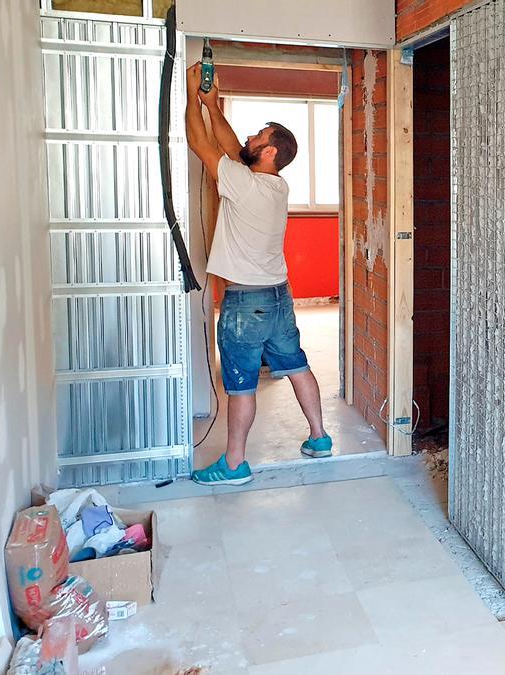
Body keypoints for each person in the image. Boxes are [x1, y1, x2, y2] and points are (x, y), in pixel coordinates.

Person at [184, 64, 333, 486]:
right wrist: (214, 107)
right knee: (297, 364)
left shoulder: (244, 183)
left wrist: (193, 98)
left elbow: (201, 144)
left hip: (245, 304)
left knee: (240, 384)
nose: (249, 138)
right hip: (278, 296)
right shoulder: (274, 185)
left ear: (269, 152)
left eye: (258, 137)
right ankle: (319, 438)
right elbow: (234, 152)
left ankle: (234, 464)